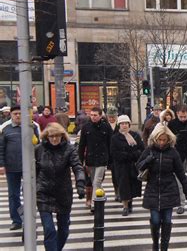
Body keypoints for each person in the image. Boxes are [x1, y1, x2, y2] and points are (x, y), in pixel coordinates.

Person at [136, 125, 187, 251]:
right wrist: (147, 161)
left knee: (167, 221)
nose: (161, 142)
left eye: (164, 140)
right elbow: (138, 166)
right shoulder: (149, 150)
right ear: (155, 138)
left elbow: (180, 173)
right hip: (153, 189)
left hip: (169, 190)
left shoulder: (173, 153)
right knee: (155, 221)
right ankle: (155, 243)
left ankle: (164, 247)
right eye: (159, 140)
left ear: (168, 140)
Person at [35, 122, 85, 251]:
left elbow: (77, 166)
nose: (55, 139)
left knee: (64, 229)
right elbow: (33, 171)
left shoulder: (69, 149)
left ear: (62, 136)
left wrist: (80, 183)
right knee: (49, 229)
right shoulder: (39, 150)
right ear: (46, 136)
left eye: (57, 136)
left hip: (63, 192)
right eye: (51, 136)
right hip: (43, 192)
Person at [0, 105, 40, 230]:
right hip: (12, 167)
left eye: (20, 113)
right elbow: (1, 149)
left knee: (29, 193)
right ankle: (16, 220)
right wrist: (1, 165)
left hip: (29, 166)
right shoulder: (5, 129)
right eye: (15, 113)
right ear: (11, 115)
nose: (17, 115)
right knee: (13, 195)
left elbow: (38, 146)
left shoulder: (32, 127)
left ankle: (29, 219)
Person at [77, 107, 113, 213]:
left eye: (95, 115)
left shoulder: (106, 127)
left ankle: (94, 203)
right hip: (90, 158)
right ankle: (102, 195)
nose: (93, 117)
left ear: (100, 115)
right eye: (91, 115)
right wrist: (80, 160)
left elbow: (110, 143)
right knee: (94, 182)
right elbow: (82, 145)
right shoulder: (86, 127)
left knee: (97, 181)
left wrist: (110, 160)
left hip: (102, 158)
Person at [110, 115, 144, 216]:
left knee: (132, 185)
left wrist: (132, 155)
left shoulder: (136, 136)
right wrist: (128, 155)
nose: (124, 126)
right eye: (122, 124)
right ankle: (125, 206)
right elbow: (114, 152)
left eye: (126, 123)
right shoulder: (115, 138)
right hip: (121, 166)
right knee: (123, 185)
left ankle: (130, 203)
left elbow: (141, 150)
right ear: (119, 125)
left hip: (133, 165)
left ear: (129, 124)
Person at [168, 105, 187, 216]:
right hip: (178, 155)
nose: (183, 118)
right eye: (181, 117)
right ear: (177, 114)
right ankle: (180, 204)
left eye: (185, 116)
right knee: (178, 182)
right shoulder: (172, 124)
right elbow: (169, 140)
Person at [105, 106, 120, 202]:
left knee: (120, 175)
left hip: (119, 153)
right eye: (110, 117)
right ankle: (116, 192)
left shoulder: (120, 125)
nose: (111, 119)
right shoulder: (105, 126)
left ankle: (120, 192)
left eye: (113, 117)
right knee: (114, 175)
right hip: (109, 154)